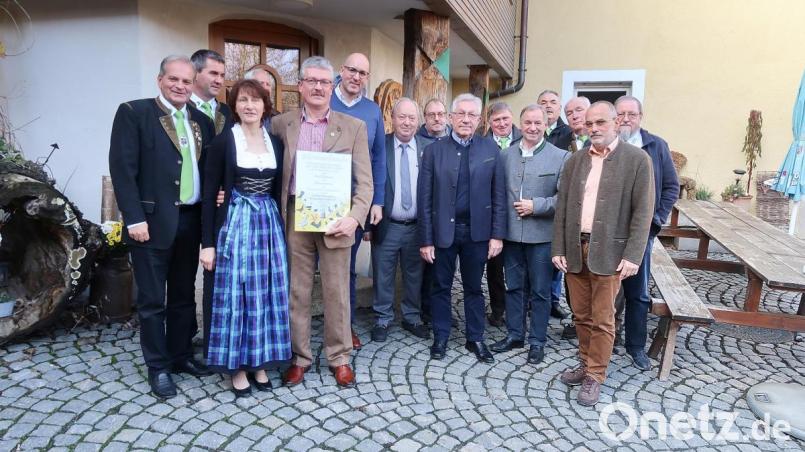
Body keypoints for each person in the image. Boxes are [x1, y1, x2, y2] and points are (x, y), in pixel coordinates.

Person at [109, 55, 215, 399]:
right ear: (160, 80)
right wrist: (134, 218)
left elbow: (208, 168)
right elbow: (123, 171)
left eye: (186, 81)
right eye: (174, 79)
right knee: (153, 301)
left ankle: (181, 355)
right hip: (151, 223)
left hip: (191, 219)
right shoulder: (134, 113)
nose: (181, 86)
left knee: (184, 297)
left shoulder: (201, 120)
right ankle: (158, 367)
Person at [272, 56, 373, 388]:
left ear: (334, 85)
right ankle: (299, 357)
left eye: (324, 82)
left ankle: (339, 357)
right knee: (297, 291)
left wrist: (355, 218)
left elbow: (366, 183)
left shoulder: (353, 127)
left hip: (336, 221)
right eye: (311, 81)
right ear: (300, 85)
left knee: (337, 292)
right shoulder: (281, 124)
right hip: (294, 217)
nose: (318, 87)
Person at [552, 101, 654, 406]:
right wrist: (558, 247)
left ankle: (595, 375)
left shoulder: (637, 160)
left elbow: (643, 212)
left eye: (601, 123)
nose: (594, 128)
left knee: (604, 319)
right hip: (575, 249)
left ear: (616, 123)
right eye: (589, 123)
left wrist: (633, 255)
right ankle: (585, 364)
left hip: (610, 251)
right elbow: (563, 208)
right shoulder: (575, 161)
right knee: (580, 315)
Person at [199, 79, 290, 397]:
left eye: (255, 100)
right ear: (234, 106)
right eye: (243, 100)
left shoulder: (276, 142)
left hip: (267, 225)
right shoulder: (224, 142)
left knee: (265, 295)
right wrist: (207, 243)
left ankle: (259, 362)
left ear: (265, 105)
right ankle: (237, 367)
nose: (249, 106)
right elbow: (210, 194)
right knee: (237, 297)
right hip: (236, 224)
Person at [418, 93, 506, 364]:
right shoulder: (434, 151)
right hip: (443, 232)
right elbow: (425, 198)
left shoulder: (491, 150)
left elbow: (498, 195)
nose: (466, 119)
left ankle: (475, 338)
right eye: (461, 114)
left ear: (479, 120)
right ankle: (441, 336)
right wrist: (426, 239)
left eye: (472, 115)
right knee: (441, 286)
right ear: (451, 117)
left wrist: (497, 235)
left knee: (473, 288)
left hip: (477, 233)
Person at [490, 105, 569, 364]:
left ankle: (537, 341)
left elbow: (564, 199)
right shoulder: (506, 155)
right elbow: (498, 195)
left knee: (540, 292)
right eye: (528, 123)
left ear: (546, 124)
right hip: (512, 236)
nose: (533, 128)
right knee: (514, 287)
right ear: (520, 124)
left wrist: (538, 205)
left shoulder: (560, 157)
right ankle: (515, 334)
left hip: (542, 237)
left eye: (538, 123)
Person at [613, 95, 679, 370]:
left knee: (637, 291)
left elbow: (671, 187)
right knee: (606, 290)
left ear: (641, 117)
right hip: (609, 232)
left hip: (641, 232)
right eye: (621, 114)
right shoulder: (608, 146)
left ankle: (636, 346)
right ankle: (605, 337)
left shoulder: (656, 146)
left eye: (632, 114)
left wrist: (657, 219)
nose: (626, 119)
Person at [330, 53, 386, 351]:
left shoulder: (372, 111)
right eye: (352, 70)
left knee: (346, 268)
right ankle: (299, 330)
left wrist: (377, 201)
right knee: (308, 268)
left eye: (363, 73)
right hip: (318, 200)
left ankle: (344, 325)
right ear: (342, 70)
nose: (356, 77)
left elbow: (378, 158)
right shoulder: (324, 99)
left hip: (354, 203)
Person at [368, 97, 431, 342]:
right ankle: (382, 318)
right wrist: (366, 225)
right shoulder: (379, 146)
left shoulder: (428, 148)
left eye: (411, 117)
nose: (406, 122)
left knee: (414, 275)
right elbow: (367, 183)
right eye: (401, 117)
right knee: (383, 273)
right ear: (391, 119)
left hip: (417, 227)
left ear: (418, 121)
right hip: (387, 225)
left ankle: (411, 317)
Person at [558, 96, 591, 340]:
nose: (574, 115)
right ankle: (577, 321)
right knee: (574, 280)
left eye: (579, 110)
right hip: (571, 228)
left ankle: (608, 331)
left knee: (604, 288)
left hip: (597, 228)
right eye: (569, 112)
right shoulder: (563, 140)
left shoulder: (602, 141)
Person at [484, 102, 520, 327]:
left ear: (512, 118)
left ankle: (518, 311)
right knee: (495, 268)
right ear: (489, 123)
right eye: (496, 120)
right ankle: (498, 309)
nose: (501, 123)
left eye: (505, 119)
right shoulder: (483, 144)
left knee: (517, 268)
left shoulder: (525, 140)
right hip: (492, 218)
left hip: (519, 215)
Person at [189, 49, 232, 135]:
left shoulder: (227, 111)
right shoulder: (180, 109)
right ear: (194, 74)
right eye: (214, 73)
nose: (219, 81)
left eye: (222, 75)